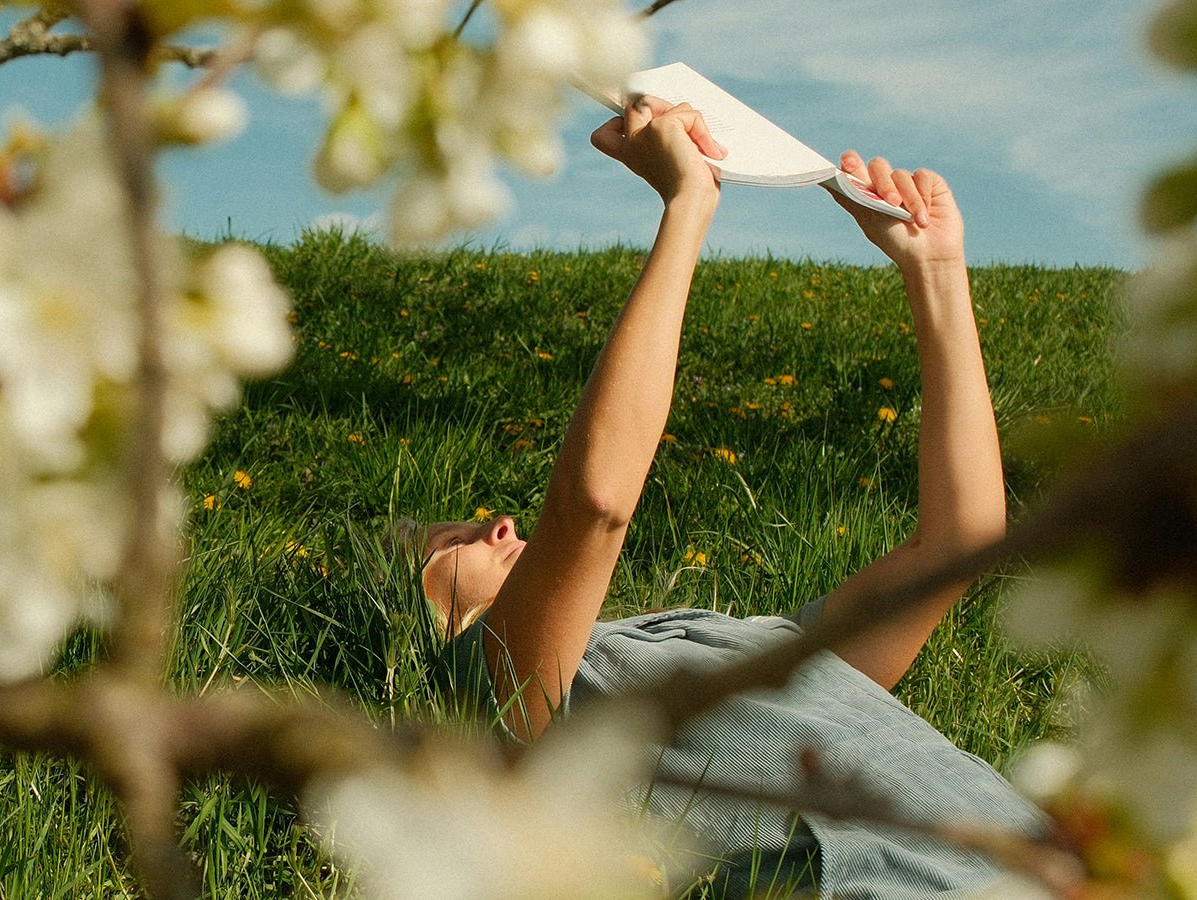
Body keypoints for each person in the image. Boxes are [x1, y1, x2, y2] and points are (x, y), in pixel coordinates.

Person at [406, 96, 1048, 897]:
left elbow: (959, 546)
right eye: (449, 541)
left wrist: (937, 271)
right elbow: (594, 506)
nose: (497, 522)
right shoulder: (503, 698)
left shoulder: (746, 643)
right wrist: (688, 204)